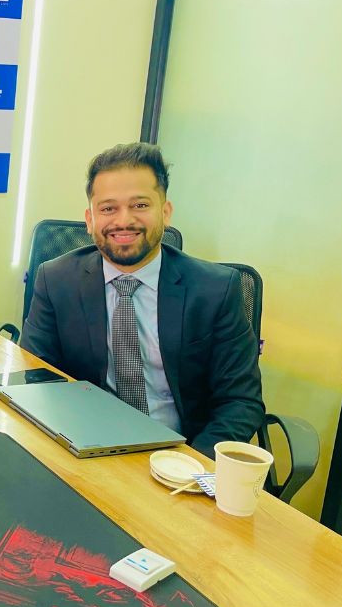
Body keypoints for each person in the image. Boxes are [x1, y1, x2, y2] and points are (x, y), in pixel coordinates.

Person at [20, 142, 263, 458]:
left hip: (182, 453)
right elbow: (36, 379)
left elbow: (240, 402)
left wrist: (191, 465)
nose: (124, 220)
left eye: (139, 205)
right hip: (85, 447)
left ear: (165, 212)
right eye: (108, 208)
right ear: (90, 219)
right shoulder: (56, 280)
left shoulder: (215, 289)